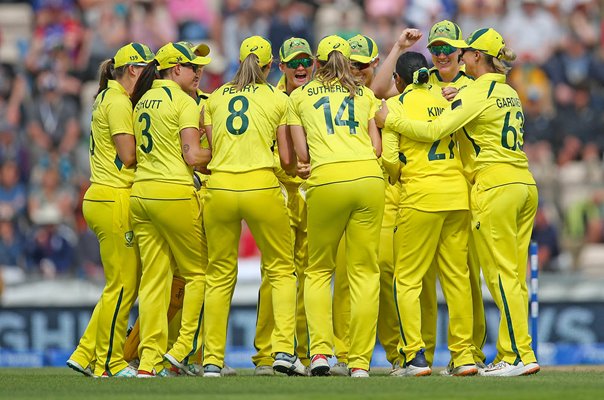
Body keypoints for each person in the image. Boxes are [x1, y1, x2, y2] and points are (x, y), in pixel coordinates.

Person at [376, 28, 541, 377]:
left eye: (463, 51)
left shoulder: (471, 91)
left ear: (476, 57)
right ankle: (483, 354)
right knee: (494, 277)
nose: (458, 57)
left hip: (487, 186)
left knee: (494, 276)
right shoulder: (508, 90)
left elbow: (434, 132)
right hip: (519, 183)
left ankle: (515, 356)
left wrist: (392, 120)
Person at [202, 35, 304, 377]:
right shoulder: (277, 97)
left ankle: (212, 360)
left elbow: (210, 148)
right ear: (270, 66)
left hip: (220, 187)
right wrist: (295, 169)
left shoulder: (214, 98)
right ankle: (282, 353)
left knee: (218, 276)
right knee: (281, 270)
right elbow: (288, 158)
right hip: (261, 184)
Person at [288, 35, 384, 378]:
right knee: (364, 274)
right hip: (369, 180)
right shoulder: (364, 94)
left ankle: (320, 354)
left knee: (317, 271)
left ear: (317, 61)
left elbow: (302, 155)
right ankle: (359, 362)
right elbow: (376, 147)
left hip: (327, 180)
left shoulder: (299, 96)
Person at [382, 52, 477, 377]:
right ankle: (464, 356)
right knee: (457, 279)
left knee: (407, 280)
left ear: (398, 80)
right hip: (457, 196)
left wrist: (396, 175)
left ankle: (415, 357)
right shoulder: (448, 100)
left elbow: (391, 160)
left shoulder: (394, 106)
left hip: (420, 197)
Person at [66, 42, 154, 378]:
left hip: (101, 194)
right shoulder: (117, 102)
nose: (151, 75)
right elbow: (129, 155)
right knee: (123, 286)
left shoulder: (106, 96)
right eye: (147, 69)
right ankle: (110, 362)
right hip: (114, 195)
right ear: (133, 69)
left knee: (117, 284)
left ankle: (86, 351)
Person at [129, 42, 212, 378]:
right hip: (173, 193)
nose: (199, 73)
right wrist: (229, 155)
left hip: (142, 194)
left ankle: (148, 363)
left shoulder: (140, 101)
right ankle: (180, 352)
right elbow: (192, 156)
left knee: (153, 281)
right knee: (199, 274)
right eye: (194, 67)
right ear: (175, 68)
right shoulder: (183, 102)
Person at [252, 37, 314, 376]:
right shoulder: (271, 100)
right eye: (295, 62)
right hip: (278, 192)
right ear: (282, 67)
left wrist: (311, 166)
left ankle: (301, 353)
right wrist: (289, 168)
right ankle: (266, 354)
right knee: (274, 275)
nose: (301, 67)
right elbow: (258, 149)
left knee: (306, 276)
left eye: (306, 61)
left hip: (310, 194)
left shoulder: (315, 98)